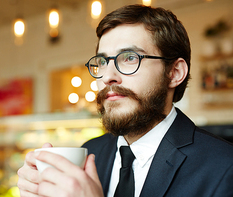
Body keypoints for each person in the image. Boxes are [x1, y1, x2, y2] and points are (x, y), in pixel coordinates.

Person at [17, 4, 233, 197]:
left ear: (174, 73)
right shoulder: (90, 151)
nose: (108, 76)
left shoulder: (224, 167)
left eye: (130, 58)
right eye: (102, 61)